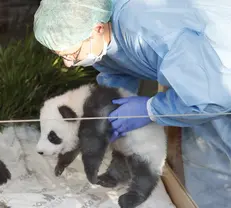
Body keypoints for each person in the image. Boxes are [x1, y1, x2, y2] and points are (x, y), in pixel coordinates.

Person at [33, 0, 231, 207]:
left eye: (72, 54)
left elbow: (212, 97)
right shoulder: (96, 33)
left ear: (98, 29)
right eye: (61, 55)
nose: (68, 63)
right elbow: (117, 65)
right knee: (206, 170)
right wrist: (110, 103)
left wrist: (150, 109)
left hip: (220, 81)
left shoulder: (148, 28)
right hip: (205, 87)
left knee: (218, 167)